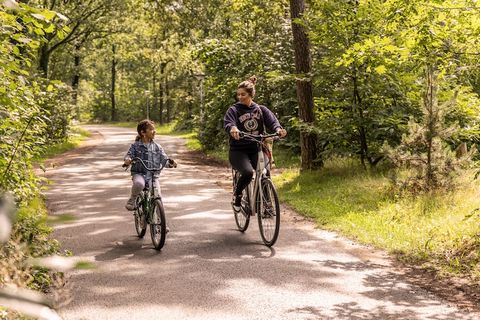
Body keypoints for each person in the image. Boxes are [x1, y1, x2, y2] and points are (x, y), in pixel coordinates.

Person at [223, 76, 287, 211]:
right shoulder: (233, 110)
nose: (240, 97)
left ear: (251, 95)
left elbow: (273, 123)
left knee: (265, 173)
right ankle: (238, 194)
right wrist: (233, 129)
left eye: (243, 94)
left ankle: (267, 205)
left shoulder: (261, 109)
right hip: (238, 150)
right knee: (247, 172)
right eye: (238, 94)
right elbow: (229, 123)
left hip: (257, 148)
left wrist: (278, 130)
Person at [123, 119, 176, 211]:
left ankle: (160, 223)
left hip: (153, 176)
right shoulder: (135, 146)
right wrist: (128, 160)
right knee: (139, 184)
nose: (154, 131)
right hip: (139, 173)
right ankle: (132, 200)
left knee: (158, 196)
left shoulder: (157, 147)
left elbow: (164, 160)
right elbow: (129, 155)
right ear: (143, 132)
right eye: (151, 129)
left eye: (154, 129)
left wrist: (170, 163)